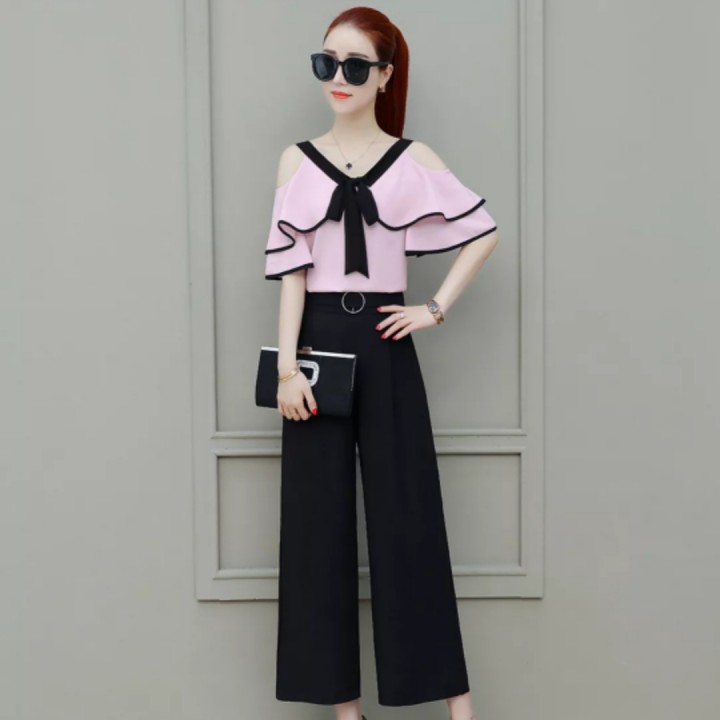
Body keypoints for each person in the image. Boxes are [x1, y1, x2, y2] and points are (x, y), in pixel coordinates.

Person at [263, 8, 498, 720]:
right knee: (316, 529)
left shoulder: (412, 158)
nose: (338, 78)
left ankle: (458, 708)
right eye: (326, 63)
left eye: (355, 66)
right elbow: (292, 274)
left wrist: (434, 308)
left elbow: (482, 232)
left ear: (385, 76)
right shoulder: (295, 161)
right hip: (318, 347)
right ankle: (345, 711)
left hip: (387, 341)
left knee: (410, 517)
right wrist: (287, 371)